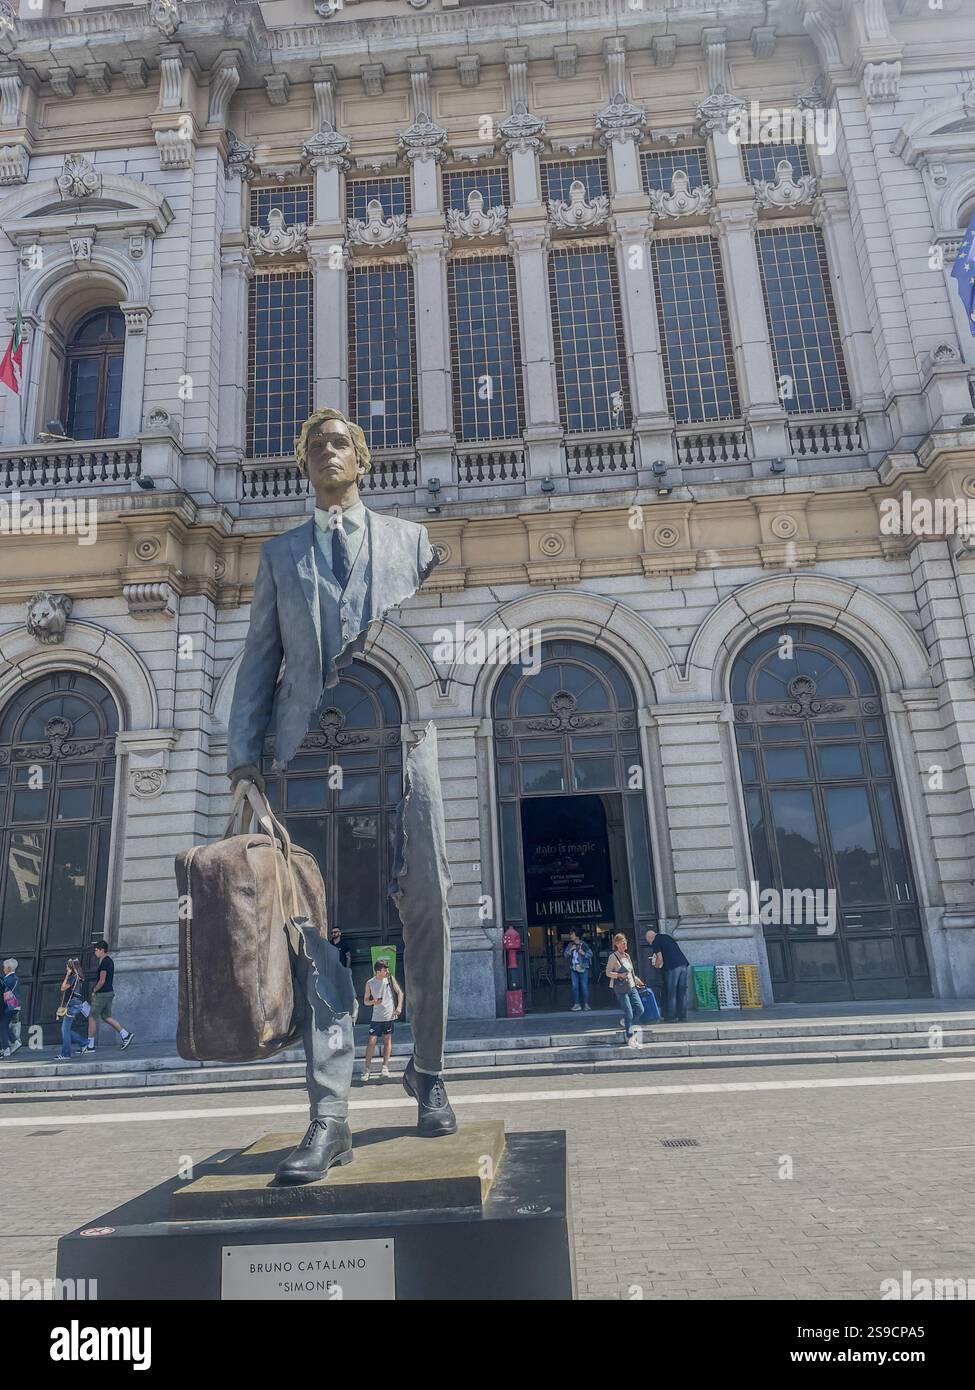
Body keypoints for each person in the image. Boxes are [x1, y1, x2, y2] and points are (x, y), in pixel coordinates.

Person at [226, 406, 456, 1183]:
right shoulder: (281, 554)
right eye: (314, 444)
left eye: (339, 444)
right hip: (304, 757)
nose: (327, 453)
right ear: (306, 465)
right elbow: (259, 663)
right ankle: (328, 1115)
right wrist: (242, 761)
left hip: (400, 750)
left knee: (425, 909)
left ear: (361, 460)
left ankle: (426, 1071)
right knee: (313, 937)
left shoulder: (408, 544)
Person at [85, 940, 134, 1052]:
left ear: (102, 950)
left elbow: (102, 980)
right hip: (109, 992)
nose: (95, 952)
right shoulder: (109, 961)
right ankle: (125, 1035)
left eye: (96, 950)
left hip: (102, 994)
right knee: (106, 1017)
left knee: (92, 1017)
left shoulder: (104, 963)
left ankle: (90, 1045)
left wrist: (94, 990)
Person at [361, 959, 403, 1083]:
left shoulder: (390, 979)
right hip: (376, 1017)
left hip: (389, 1015)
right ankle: (366, 1069)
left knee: (387, 1040)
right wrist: (373, 1002)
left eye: (387, 969)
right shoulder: (370, 983)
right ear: (378, 971)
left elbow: (399, 992)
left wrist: (399, 1007)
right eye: (385, 969)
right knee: (372, 1041)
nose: (387, 971)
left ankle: (385, 1067)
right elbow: (365, 1001)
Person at [606, 932, 645, 1048]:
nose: (625, 944)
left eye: (625, 942)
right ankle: (630, 1037)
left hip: (632, 987)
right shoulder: (613, 957)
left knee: (640, 1009)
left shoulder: (627, 956)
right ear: (617, 944)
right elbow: (607, 972)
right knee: (629, 1012)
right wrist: (618, 976)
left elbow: (631, 973)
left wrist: (639, 982)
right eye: (622, 943)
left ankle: (627, 1022)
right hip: (621, 988)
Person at [645, 927, 691, 1023]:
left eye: (648, 941)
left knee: (671, 992)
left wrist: (656, 966)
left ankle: (671, 1016)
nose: (649, 943)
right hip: (683, 964)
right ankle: (683, 1016)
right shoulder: (666, 937)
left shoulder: (656, 941)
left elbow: (659, 957)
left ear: (650, 937)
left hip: (672, 967)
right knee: (682, 991)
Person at [56, 958, 87, 1061]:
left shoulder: (72, 977)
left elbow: (63, 988)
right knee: (66, 1030)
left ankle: (66, 1053)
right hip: (76, 1004)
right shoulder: (79, 977)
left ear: (70, 967)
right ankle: (84, 1042)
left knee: (65, 1030)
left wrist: (67, 974)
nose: (66, 968)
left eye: (67, 966)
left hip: (71, 1005)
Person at [563, 930, 593, 1011]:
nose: (570, 936)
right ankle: (577, 1004)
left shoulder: (583, 944)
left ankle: (586, 1004)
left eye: (572, 934)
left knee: (584, 986)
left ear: (577, 936)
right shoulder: (570, 945)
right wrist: (571, 950)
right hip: (573, 969)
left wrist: (583, 953)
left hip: (583, 968)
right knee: (574, 987)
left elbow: (590, 954)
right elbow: (565, 955)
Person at [1, 958, 21, 1058]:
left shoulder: (8, 979)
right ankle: (14, 1042)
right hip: (13, 1006)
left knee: (2, 1026)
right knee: (3, 1025)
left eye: (4, 967)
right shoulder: (15, 978)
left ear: (8, 968)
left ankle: (6, 1048)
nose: (3, 969)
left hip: (8, 1007)